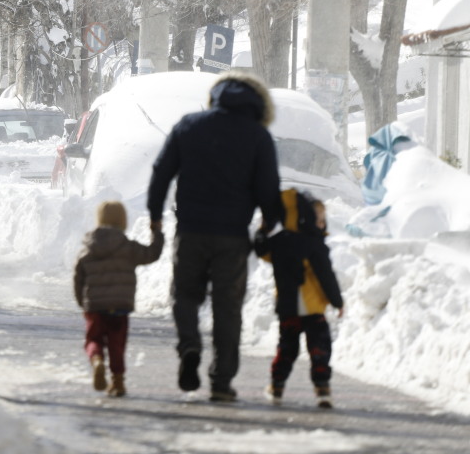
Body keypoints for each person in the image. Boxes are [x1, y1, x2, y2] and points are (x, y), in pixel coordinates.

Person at [146, 71, 283, 402]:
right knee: (227, 308)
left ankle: (189, 345)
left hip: (190, 230)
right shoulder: (258, 136)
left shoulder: (189, 125)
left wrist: (155, 215)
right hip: (232, 237)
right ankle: (221, 381)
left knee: (184, 295)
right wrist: (269, 223)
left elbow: (162, 171)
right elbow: (268, 188)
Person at [253, 189, 344, 409]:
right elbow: (326, 276)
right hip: (313, 309)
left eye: (323, 219)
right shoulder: (315, 244)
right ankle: (322, 389)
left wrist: (263, 230)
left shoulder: (279, 242)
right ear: (306, 217)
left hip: (288, 308)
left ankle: (277, 385)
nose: (321, 223)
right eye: (318, 219)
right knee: (319, 349)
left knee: (287, 349)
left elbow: (262, 251)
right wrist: (337, 301)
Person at [73, 200, 164, 397]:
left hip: (95, 307)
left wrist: (82, 302)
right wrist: (157, 232)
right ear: (123, 220)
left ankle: (97, 360)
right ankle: (118, 382)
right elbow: (152, 254)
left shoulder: (88, 249)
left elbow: (78, 278)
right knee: (117, 344)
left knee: (93, 339)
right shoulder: (128, 247)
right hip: (120, 306)